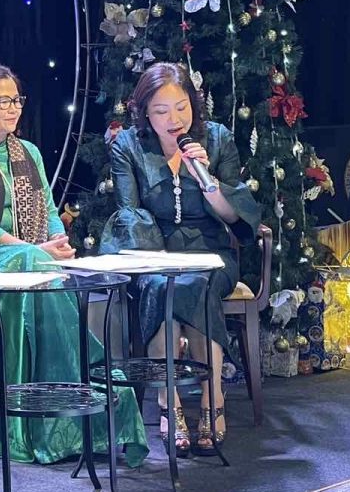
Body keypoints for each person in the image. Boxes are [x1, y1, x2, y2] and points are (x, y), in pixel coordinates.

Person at [0, 63, 149, 467]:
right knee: (30, 262)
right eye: (3, 101)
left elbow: (48, 209)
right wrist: (36, 250)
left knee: (36, 265)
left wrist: (57, 242)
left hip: (29, 254)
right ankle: (23, 416)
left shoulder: (27, 152)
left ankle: (71, 391)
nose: (13, 108)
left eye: (17, 100)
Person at [96, 62, 260, 456]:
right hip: (155, 251)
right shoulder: (128, 146)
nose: (174, 120)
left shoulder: (216, 139)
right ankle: (169, 404)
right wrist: (155, 261)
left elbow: (234, 218)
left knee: (196, 284)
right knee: (162, 288)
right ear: (144, 113)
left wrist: (207, 179)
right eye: (161, 111)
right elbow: (130, 215)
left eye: (181, 107)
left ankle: (212, 400)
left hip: (210, 251)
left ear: (193, 105)